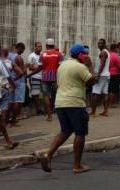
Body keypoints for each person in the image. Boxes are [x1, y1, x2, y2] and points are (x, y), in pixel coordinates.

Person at [38, 44, 96, 174]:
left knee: (65, 130)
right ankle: (77, 165)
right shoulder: (80, 67)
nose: (86, 56)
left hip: (60, 102)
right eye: (85, 54)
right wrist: (90, 65)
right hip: (75, 102)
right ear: (80, 55)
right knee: (80, 133)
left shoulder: (62, 65)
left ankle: (48, 155)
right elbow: (92, 81)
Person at [40, 39, 63, 122]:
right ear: (54, 45)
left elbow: (40, 67)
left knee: (46, 96)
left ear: (46, 45)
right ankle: (61, 115)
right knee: (58, 95)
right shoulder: (59, 54)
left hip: (45, 77)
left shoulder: (42, 54)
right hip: (56, 77)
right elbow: (61, 67)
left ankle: (49, 116)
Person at [6, 43, 27, 127]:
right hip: (19, 81)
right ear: (19, 48)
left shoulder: (8, 56)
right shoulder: (18, 57)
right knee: (17, 102)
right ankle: (13, 121)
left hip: (11, 81)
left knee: (10, 102)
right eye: (22, 50)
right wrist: (26, 67)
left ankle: (6, 120)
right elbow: (23, 72)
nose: (22, 52)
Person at [90, 39, 111, 117]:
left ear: (104, 44)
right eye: (98, 43)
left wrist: (98, 75)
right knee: (104, 93)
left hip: (101, 75)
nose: (99, 45)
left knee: (95, 93)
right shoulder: (106, 52)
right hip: (106, 75)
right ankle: (105, 111)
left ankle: (93, 111)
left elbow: (102, 64)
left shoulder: (103, 53)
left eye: (101, 43)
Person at [27, 42, 43, 115]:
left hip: (43, 77)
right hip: (35, 77)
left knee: (44, 93)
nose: (40, 48)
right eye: (38, 46)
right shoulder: (31, 56)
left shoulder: (42, 55)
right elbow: (29, 67)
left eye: (41, 46)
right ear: (35, 47)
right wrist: (38, 67)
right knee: (35, 94)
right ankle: (38, 110)